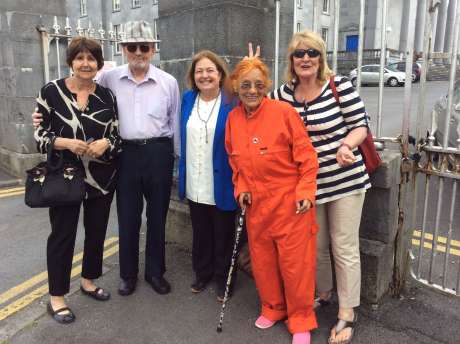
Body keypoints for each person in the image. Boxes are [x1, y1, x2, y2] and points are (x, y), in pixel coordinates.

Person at [269, 30, 371, 344]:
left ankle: (347, 313)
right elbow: (256, 107)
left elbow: (360, 125)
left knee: (344, 247)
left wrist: (346, 145)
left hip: (344, 180)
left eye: (312, 52)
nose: (305, 59)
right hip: (308, 185)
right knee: (316, 246)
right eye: (299, 54)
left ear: (321, 57)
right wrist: (250, 68)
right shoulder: (283, 94)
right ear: (291, 60)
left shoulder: (339, 86)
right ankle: (324, 293)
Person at [225, 57, 319, 344]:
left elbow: (307, 158)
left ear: (266, 85)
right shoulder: (233, 119)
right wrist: (241, 189)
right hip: (257, 208)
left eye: (257, 84)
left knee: (295, 266)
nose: (252, 90)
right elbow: (235, 163)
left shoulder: (284, 112)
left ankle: (301, 319)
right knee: (263, 262)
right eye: (245, 85)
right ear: (236, 88)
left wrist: (305, 192)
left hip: (289, 203)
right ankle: (273, 307)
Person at [34, 37, 121, 324]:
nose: (86, 64)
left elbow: (117, 135)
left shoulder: (107, 96)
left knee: (96, 232)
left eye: (92, 59)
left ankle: (88, 281)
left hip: (101, 177)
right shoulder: (51, 91)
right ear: (71, 61)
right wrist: (65, 143)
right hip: (64, 175)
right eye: (80, 58)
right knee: (62, 235)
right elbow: (38, 136)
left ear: (98, 63)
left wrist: (106, 144)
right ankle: (57, 297)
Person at [97, 21, 180, 296]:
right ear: (123, 49)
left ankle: (155, 273)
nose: (139, 52)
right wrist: (44, 113)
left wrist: (176, 160)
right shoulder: (108, 79)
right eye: (132, 47)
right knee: (128, 217)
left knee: (157, 217)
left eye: (145, 47)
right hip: (126, 154)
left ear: (153, 50)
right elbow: (80, 93)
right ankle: (127, 275)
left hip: (159, 152)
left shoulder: (168, 82)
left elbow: (175, 122)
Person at [178, 50, 237, 301]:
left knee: (223, 233)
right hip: (195, 178)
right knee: (200, 231)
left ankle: (224, 279)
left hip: (221, 179)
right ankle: (202, 273)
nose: (205, 76)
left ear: (220, 73)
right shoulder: (188, 99)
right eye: (199, 71)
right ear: (193, 76)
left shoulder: (232, 101)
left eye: (210, 70)